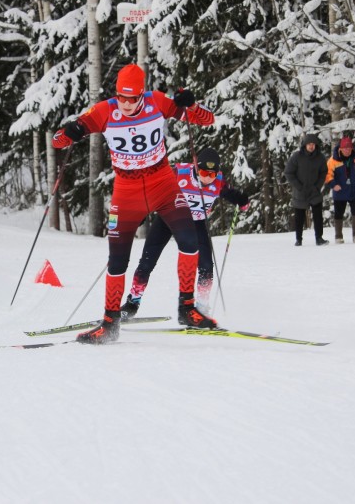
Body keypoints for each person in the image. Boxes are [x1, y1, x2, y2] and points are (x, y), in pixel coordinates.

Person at [52, 64, 217, 344]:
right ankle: (109, 323)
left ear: (142, 94)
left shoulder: (158, 102)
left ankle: (187, 308)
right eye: (122, 98)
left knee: (190, 241)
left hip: (162, 183)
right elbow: (58, 142)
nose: (126, 104)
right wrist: (71, 131)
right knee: (118, 259)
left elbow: (206, 119)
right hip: (126, 190)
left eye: (132, 98)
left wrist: (191, 104)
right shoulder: (104, 110)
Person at [120, 148, 249, 320]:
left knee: (206, 266)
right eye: (204, 172)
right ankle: (132, 304)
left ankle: (201, 309)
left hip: (196, 223)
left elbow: (229, 193)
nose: (207, 178)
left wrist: (242, 201)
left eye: (212, 174)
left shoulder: (218, 181)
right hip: (168, 218)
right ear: (196, 167)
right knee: (147, 262)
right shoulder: (179, 173)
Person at [284, 133, 329, 247]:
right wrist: (298, 186)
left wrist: (318, 186)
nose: (311, 146)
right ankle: (298, 239)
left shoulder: (320, 157)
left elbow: (323, 172)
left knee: (318, 215)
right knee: (299, 217)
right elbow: (289, 172)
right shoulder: (296, 156)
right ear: (304, 145)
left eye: (313, 144)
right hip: (300, 191)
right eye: (309, 144)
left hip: (314, 191)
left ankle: (319, 238)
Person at [325, 136, 355, 243]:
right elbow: (328, 175)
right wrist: (333, 184)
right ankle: (338, 237)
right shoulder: (333, 160)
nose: (347, 150)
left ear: (351, 148)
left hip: (354, 190)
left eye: (349, 148)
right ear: (340, 148)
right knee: (339, 213)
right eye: (345, 148)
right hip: (340, 191)